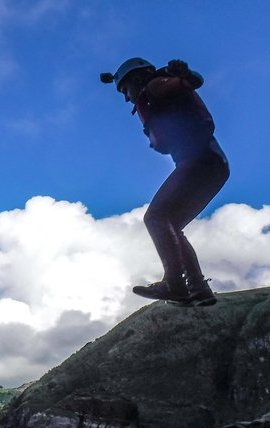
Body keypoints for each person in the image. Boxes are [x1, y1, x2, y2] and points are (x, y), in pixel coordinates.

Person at [102, 57, 229, 306]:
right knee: (171, 224)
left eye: (125, 90)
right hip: (213, 164)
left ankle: (174, 285)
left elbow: (190, 82)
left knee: (155, 217)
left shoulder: (155, 86)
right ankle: (197, 289)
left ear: (137, 78)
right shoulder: (154, 91)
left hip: (200, 161)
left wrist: (184, 73)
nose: (127, 98)